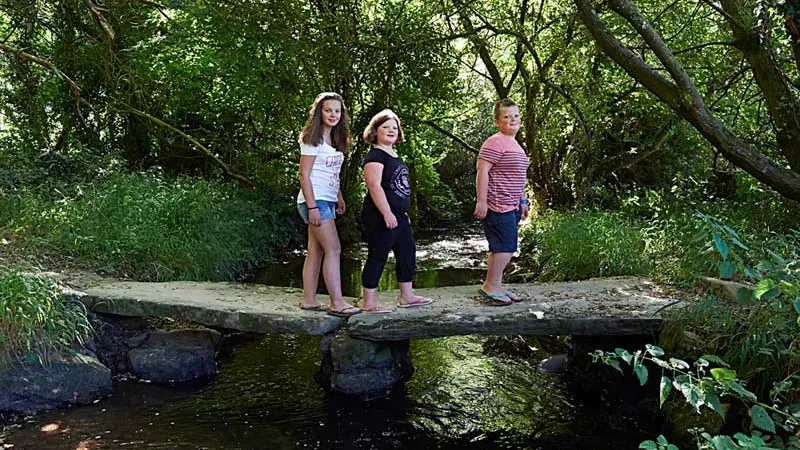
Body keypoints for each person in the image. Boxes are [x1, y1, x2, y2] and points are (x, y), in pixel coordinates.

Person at [360, 109, 433, 312]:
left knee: (407, 252)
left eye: (394, 127)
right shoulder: (375, 155)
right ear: (375, 131)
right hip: (380, 215)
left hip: (399, 216)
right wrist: (386, 213)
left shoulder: (393, 154)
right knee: (378, 254)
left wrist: (400, 213)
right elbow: (374, 185)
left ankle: (407, 296)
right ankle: (368, 302)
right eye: (386, 127)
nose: (391, 130)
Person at [297, 92, 360, 317]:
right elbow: (304, 174)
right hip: (315, 200)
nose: (333, 114)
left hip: (328, 198)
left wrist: (339, 196)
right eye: (328, 110)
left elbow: (331, 172)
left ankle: (310, 300)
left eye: (337, 111)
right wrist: (313, 207)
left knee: (315, 251)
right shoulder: (311, 138)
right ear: (319, 112)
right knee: (334, 249)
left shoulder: (336, 139)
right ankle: (337, 302)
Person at [473, 99, 530, 306]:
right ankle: (490, 286)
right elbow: (482, 171)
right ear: (497, 121)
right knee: (506, 246)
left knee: (500, 247)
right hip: (497, 204)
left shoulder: (514, 143)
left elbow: (518, 175)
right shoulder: (494, 142)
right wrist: (482, 201)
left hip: (512, 204)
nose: (512, 120)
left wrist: (523, 199)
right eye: (506, 117)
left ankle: (495, 284)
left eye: (515, 115)